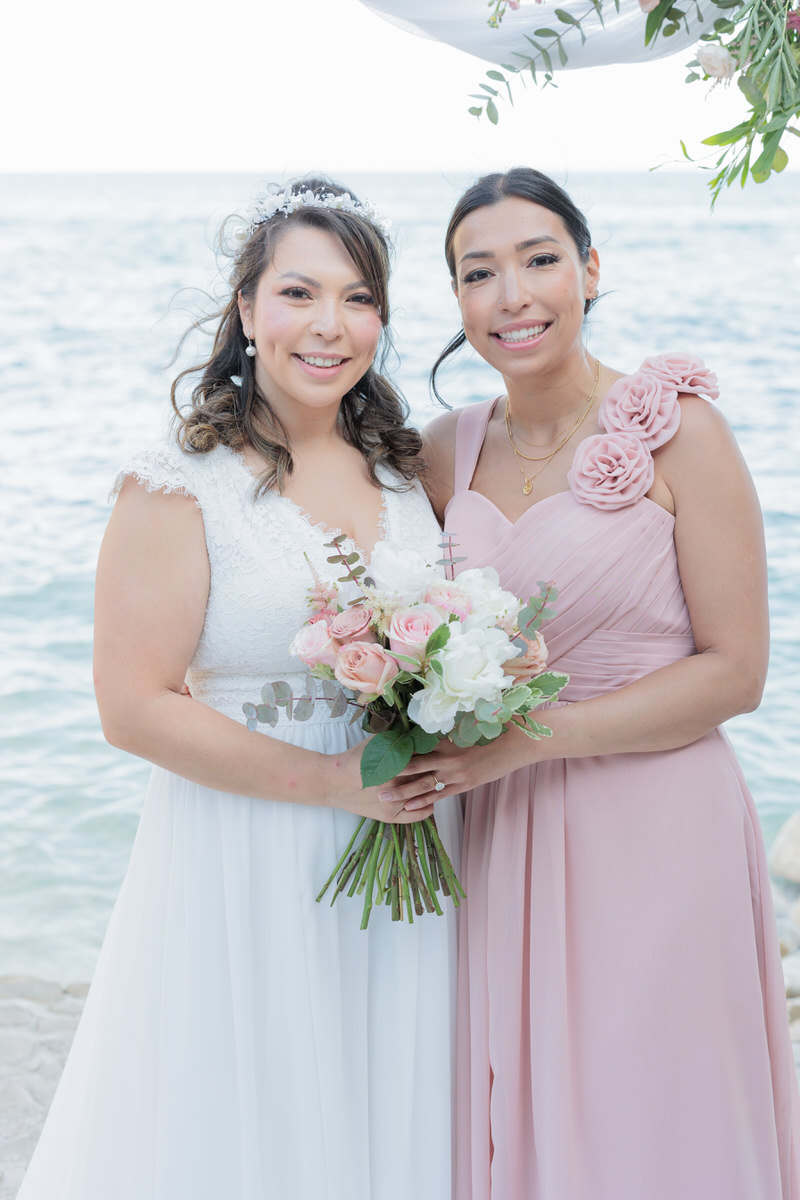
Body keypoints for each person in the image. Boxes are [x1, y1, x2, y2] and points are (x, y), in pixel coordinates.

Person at [17, 179, 460, 1200]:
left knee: (383, 1103)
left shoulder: (405, 471)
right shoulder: (180, 482)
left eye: (358, 298)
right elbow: (132, 706)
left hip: (401, 838)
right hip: (243, 847)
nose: (329, 323)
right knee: (244, 1109)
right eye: (298, 293)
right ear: (247, 311)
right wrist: (334, 785)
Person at [378, 168, 800, 1199]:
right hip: (499, 829)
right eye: (478, 273)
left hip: (656, 820)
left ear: (590, 270)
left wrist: (528, 741)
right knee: (520, 1105)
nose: (512, 295)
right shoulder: (439, 454)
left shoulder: (681, 432)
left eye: (539, 260)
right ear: (455, 298)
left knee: (656, 1106)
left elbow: (736, 671)